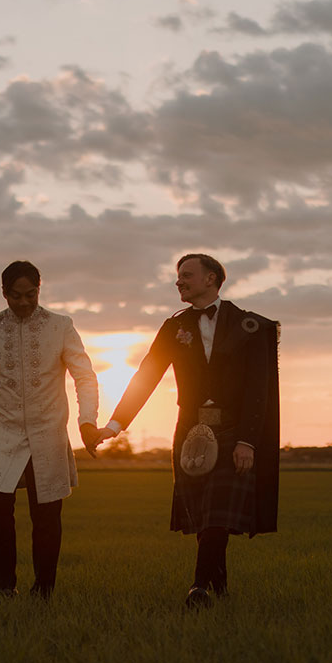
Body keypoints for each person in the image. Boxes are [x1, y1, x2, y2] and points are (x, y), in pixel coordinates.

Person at [97, 253, 279, 608]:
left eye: (186, 275)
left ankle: (199, 588)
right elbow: (147, 375)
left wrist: (247, 440)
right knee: (205, 514)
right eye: (178, 276)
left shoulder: (249, 326)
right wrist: (115, 425)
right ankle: (220, 585)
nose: (178, 281)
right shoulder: (172, 327)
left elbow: (260, 389)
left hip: (233, 430)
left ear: (211, 278)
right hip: (190, 430)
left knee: (218, 510)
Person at [0, 260, 102, 600]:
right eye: (16, 296)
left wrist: (87, 420)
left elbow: (84, 375)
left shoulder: (61, 326)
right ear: (4, 293)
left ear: (40, 289)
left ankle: (44, 589)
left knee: (47, 514)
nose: (24, 303)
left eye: (30, 295)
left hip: (48, 430)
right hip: (5, 432)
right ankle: (4, 587)